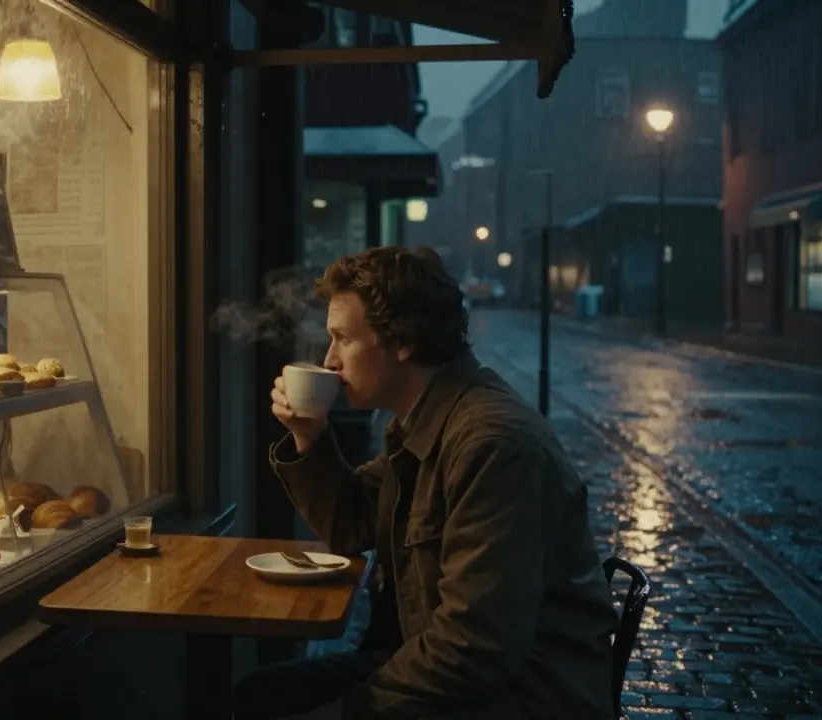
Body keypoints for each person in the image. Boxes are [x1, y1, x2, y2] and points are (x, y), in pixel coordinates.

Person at [234, 247, 616, 720]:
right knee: (259, 694)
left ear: (404, 341)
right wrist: (309, 438)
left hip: (521, 697)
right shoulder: (423, 419)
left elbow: (475, 647)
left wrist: (346, 711)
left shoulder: (492, 445)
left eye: (343, 339)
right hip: (451, 670)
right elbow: (352, 525)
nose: (328, 360)